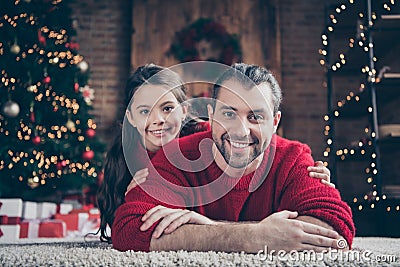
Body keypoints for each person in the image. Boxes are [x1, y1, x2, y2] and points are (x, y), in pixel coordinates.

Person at [111, 63, 354, 253]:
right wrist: (254, 236)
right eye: (228, 113)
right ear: (211, 115)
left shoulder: (293, 157)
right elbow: (128, 230)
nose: (241, 130)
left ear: (275, 122)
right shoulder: (176, 154)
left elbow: (337, 229)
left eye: (255, 117)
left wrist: (210, 229)